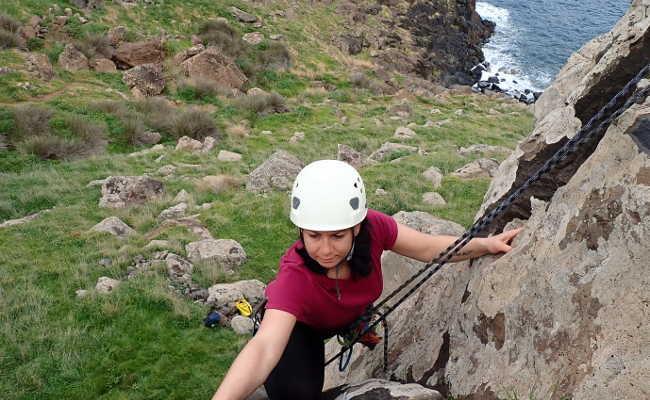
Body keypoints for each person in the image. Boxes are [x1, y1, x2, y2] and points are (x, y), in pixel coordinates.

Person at [212, 160, 522, 400]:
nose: (325, 249)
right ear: (301, 232)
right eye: (313, 236)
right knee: (298, 395)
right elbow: (265, 347)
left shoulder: (375, 228)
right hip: (298, 332)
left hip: (343, 318)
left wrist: (483, 245)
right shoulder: (294, 277)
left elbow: (428, 248)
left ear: (357, 227)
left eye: (337, 236)